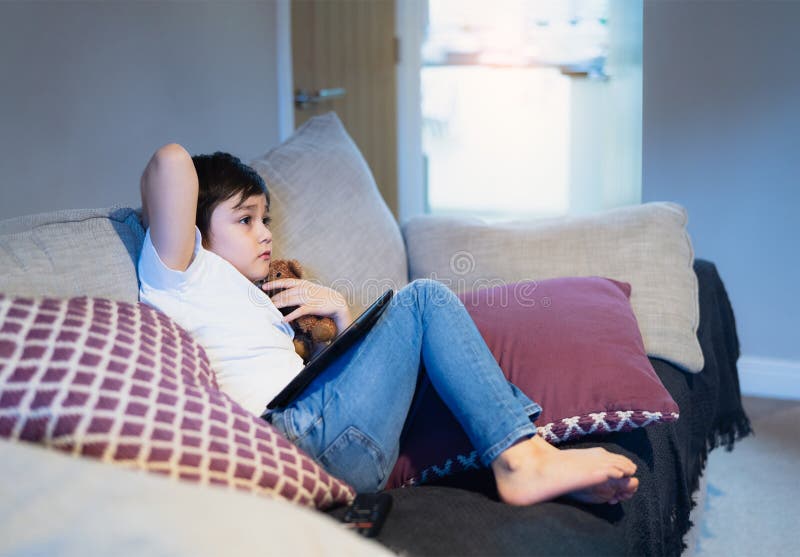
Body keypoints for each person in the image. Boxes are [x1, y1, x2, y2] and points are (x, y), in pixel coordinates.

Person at [137, 143, 639, 505]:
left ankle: (531, 457)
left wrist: (341, 318)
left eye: (265, 219)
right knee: (422, 300)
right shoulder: (182, 273)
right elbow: (170, 162)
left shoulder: (261, 300)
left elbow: (325, 385)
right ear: (195, 230)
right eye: (245, 220)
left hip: (330, 438)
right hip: (291, 444)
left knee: (435, 369)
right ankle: (522, 458)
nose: (265, 234)